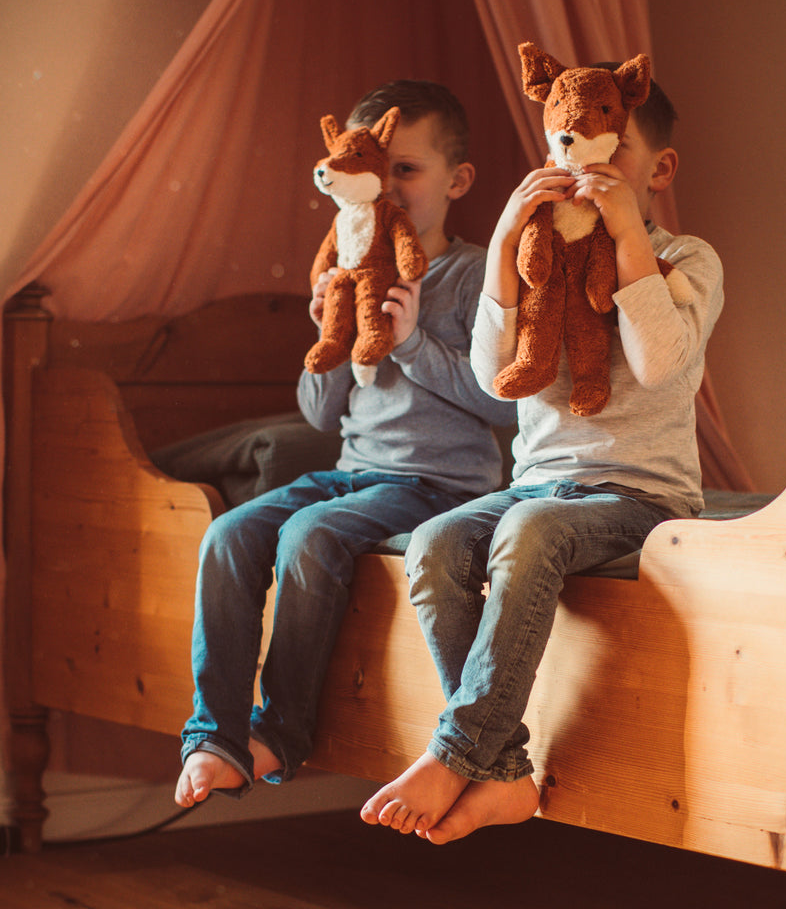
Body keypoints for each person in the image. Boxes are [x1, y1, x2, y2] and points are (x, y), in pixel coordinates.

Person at [360, 68, 724, 843]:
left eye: (613, 148)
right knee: (433, 544)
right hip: (541, 482)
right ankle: (505, 772)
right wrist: (501, 242)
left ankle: (455, 753)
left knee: (527, 533)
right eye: (569, 143)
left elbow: (658, 361)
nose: (586, 163)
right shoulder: (537, 260)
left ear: (658, 170)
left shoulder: (688, 260)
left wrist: (626, 237)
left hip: (640, 495)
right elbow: (497, 375)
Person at [176, 80, 517, 808]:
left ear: (456, 181)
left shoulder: (473, 275)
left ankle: (282, 732)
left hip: (440, 485)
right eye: (373, 169)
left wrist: (414, 342)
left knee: (310, 535)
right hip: (353, 471)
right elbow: (320, 416)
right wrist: (328, 339)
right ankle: (213, 734)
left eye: (406, 169)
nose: (387, 187)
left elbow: (504, 407)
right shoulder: (351, 268)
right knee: (229, 535)